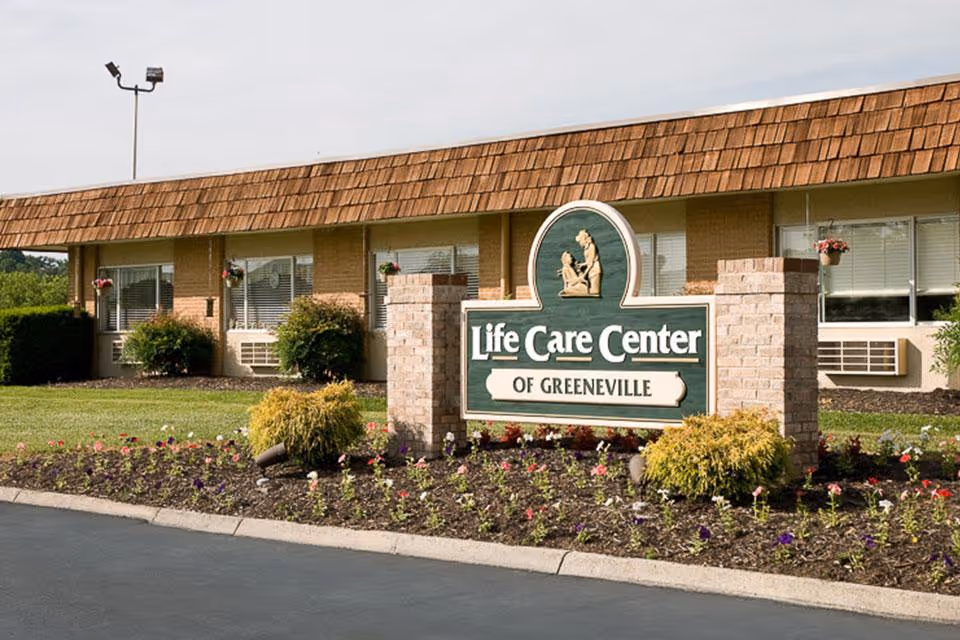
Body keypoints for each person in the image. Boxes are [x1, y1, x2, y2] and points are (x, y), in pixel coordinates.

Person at [575, 229, 601, 296]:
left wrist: (583, 276)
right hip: (591, 271)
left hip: (595, 271)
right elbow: (588, 261)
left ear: (584, 239)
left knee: (594, 292)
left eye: (580, 241)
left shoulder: (592, 246)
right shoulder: (586, 249)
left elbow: (591, 263)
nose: (579, 243)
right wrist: (581, 265)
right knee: (592, 292)